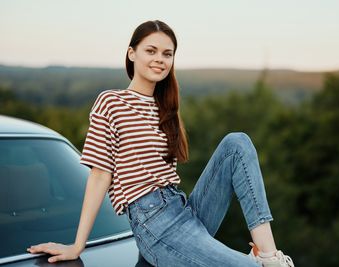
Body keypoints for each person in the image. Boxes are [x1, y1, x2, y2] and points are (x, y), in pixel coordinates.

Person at [27, 20, 294, 267]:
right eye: (151, 51)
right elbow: (100, 175)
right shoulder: (111, 102)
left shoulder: (166, 108)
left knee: (237, 143)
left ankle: (269, 255)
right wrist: (77, 245)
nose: (160, 59)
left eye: (167, 54)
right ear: (132, 53)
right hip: (153, 222)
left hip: (182, 209)